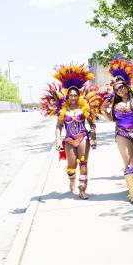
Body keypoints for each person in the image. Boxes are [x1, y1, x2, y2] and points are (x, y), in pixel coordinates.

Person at [42, 64, 99, 200]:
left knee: (83, 163)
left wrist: (93, 137)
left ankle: (82, 189)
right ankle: (72, 179)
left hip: (83, 138)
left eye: (75, 95)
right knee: (71, 167)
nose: (73, 97)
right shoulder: (63, 110)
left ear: (79, 96)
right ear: (67, 97)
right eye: (70, 95)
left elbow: (92, 124)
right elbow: (59, 126)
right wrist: (57, 140)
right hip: (68, 140)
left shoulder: (85, 108)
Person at [101, 59, 133, 204]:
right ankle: (132, 193)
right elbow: (111, 119)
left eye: (122, 86)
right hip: (122, 133)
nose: (120, 90)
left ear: (126, 86)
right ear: (115, 91)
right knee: (129, 162)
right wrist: (102, 111)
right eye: (117, 89)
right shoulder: (115, 104)